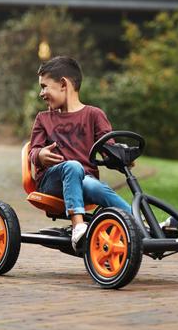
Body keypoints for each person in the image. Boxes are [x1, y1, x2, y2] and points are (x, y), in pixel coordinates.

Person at [28, 56, 133, 251]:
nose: (41, 93)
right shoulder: (43, 119)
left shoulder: (94, 115)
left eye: (44, 86)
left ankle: (142, 225)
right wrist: (40, 155)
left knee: (99, 188)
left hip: (84, 182)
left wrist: (121, 156)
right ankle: (78, 226)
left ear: (63, 84)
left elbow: (108, 147)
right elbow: (32, 151)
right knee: (73, 166)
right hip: (51, 183)